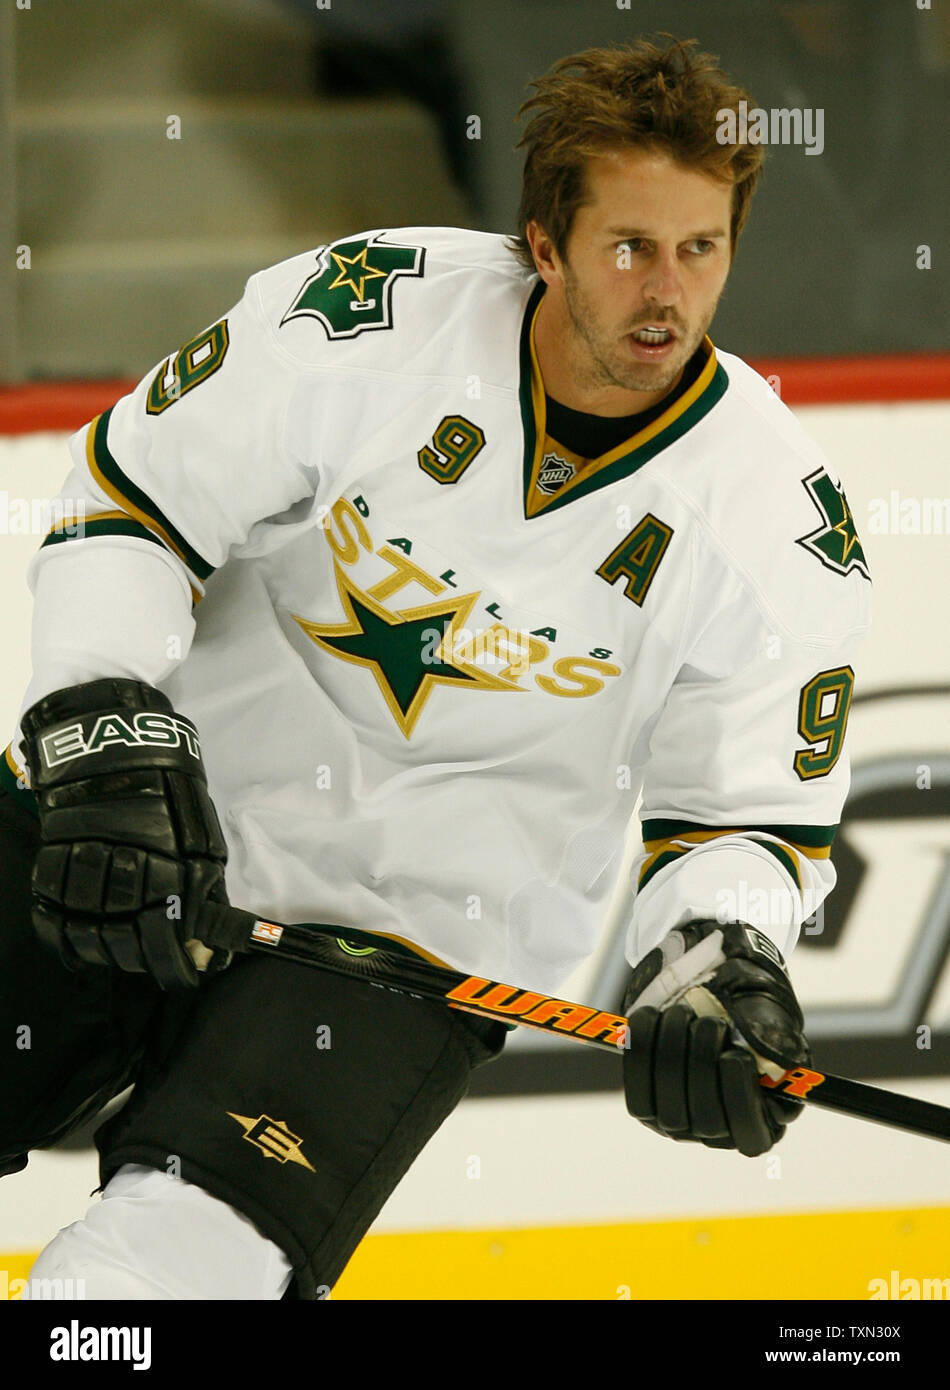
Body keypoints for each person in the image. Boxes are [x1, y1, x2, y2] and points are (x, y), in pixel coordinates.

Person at [0, 37, 871, 1300]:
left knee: (153, 1285)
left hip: (406, 953)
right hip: (146, 830)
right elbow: (133, 503)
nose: (665, 294)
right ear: (543, 242)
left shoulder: (778, 522)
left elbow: (741, 820)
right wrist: (101, 713)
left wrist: (717, 959)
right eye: (628, 245)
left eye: (700, 248)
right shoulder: (365, 314)